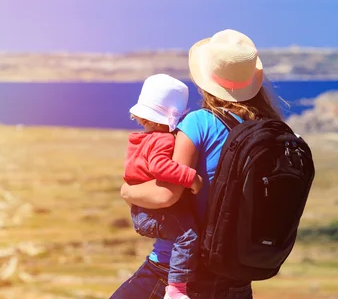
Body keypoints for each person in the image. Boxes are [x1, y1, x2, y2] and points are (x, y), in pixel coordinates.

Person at [111, 29, 283, 299]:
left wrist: (126, 192)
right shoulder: (266, 130)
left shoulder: (197, 123)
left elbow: (167, 194)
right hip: (235, 276)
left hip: (176, 271)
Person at [124, 73, 203, 299]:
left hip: (141, 211)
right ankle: (176, 290)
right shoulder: (164, 139)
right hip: (152, 213)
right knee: (187, 235)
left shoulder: (141, 139)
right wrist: (191, 177)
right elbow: (160, 167)